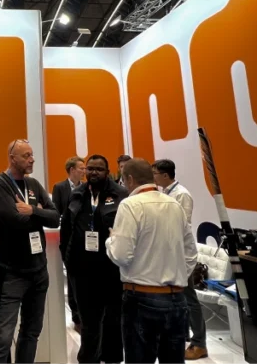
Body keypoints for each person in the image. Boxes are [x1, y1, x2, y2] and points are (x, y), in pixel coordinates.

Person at [106, 158, 197, 364]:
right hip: (177, 299)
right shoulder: (174, 204)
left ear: (129, 179)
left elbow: (121, 255)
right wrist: (177, 276)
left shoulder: (129, 205)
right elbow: (191, 253)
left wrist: (110, 240)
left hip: (141, 298)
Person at [0, 140, 60, 364]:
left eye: (32, 154)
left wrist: (32, 210)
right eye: (26, 155)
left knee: (31, 332)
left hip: (39, 271)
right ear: (12, 158)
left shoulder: (34, 184)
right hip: (11, 273)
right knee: (3, 338)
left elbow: (56, 217)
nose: (32, 159)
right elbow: (14, 222)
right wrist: (39, 215)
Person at [60, 154, 127, 364]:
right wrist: (68, 259)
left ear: (107, 172)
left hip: (111, 268)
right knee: (88, 320)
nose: (93, 172)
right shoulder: (77, 194)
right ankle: (88, 359)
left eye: (98, 169)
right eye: (90, 168)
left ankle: (113, 358)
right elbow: (67, 229)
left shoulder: (120, 194)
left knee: (113, 320)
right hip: (82, 269)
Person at [153, 159, 207, 361]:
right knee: (179, 298)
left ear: (165, 175)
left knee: (189, 299)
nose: (154, 177)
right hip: (170, 254)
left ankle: (200, 343)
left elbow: (180, 225)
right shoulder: (165, 193)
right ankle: (184, 336)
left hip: (182, 255)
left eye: (155, 173)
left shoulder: (181, 194)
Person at [51, 156, 86, 332]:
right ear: (72, 170)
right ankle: (76, 317)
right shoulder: (60, 187)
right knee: (71, 279)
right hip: (66, 236)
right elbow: (55, 210)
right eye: (81, 168)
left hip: (84, 237)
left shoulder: (87, 188)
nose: (84, 171)